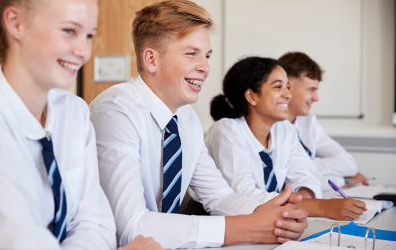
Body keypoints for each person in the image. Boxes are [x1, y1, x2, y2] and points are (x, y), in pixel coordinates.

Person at [89, 1, 309, 249]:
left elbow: (218, 196)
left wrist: (277, 216)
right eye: (191, 53)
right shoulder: (116, 111)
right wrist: (248, 226)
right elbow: (132, 228)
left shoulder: (186, 118)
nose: (205, 67)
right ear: (151, 59)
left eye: (207, 55)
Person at [0, 0, 162, 249]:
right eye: (69, 31)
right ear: (15, 23)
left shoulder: (73, 112)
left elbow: (95, 224)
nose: (84, 51)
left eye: (89, 35)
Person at [205, 57, 367, 221]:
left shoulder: (285, 129)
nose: (288, 94)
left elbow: (306, 177)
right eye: (278, 87)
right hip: (224, 222)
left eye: (288, 87)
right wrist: (321, 207)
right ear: (251, 96)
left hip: (274, 219)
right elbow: (243, 195)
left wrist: (298, 201)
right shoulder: (227, 130)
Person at [278, 52, 369, 190]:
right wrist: (340, 181)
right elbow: (285, 182)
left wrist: (303, 166)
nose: (316, 98)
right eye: (311, 90)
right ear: (287, 86)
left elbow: (349, 164)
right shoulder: (270, 125)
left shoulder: (308, 121)